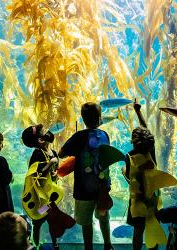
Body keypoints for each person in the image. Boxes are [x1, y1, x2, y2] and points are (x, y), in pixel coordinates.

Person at [58, 102, 114, 250]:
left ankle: (88, 248)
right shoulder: (104, 135)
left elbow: (61, 153)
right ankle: (108, 244)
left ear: (83, 118)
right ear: (100, 118)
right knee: (104, 218)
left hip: (84, 189)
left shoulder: (79, 136)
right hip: (103, 186)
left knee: (86, 221)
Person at [122, 100, 159, 250]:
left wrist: (124, 172)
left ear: (132, 142)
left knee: (138, 231)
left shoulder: (129, 156)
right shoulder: (151, 152)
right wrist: (138, 112)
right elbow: (145, 129)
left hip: (136, 200)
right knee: (152, 228)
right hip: (153, 198)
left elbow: (129, 178)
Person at [21, 124, 61, 250]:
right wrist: (50, 163)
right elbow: (36, 175)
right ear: (41, 139)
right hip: (39, 198)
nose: (49, 131)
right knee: (38, 221)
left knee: (53, 220)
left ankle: (55, 245)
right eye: (45, 131)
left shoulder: (53, 152)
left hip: (49, 196)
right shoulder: (37, 154)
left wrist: (55, 174)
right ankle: (36, 246)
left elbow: (53, 172)